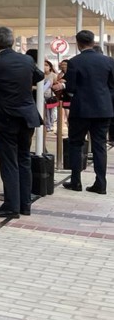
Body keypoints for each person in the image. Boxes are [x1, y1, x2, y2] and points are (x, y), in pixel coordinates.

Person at [0, 26, 43, 217]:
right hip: (27, 117)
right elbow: (39, 76)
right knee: (24, 159)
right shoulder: (27, 60)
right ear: (13, 41)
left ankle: (11, 206)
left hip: (4, 118)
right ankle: (25, 204)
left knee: (9, 162)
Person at [62, 29, 114, 195]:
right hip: (103, 109)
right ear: (93, 42)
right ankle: (101, 183)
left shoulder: (74, 62)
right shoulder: (108, 61)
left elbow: (70, 88)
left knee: (76, 144)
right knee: (100, 146)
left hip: (81, 109)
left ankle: (76, 181)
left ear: (78, 43)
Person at [42, 60, 58, 132]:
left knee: (51, 111)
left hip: (50, 96)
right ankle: (47, 125)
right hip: (42, 96)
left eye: (46, 65)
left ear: (50, 67)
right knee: (45, 112)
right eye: (43, 65)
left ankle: (51, 124)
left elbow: (55, 84)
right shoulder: (40, 75)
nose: (45, 67)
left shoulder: (53, 75)